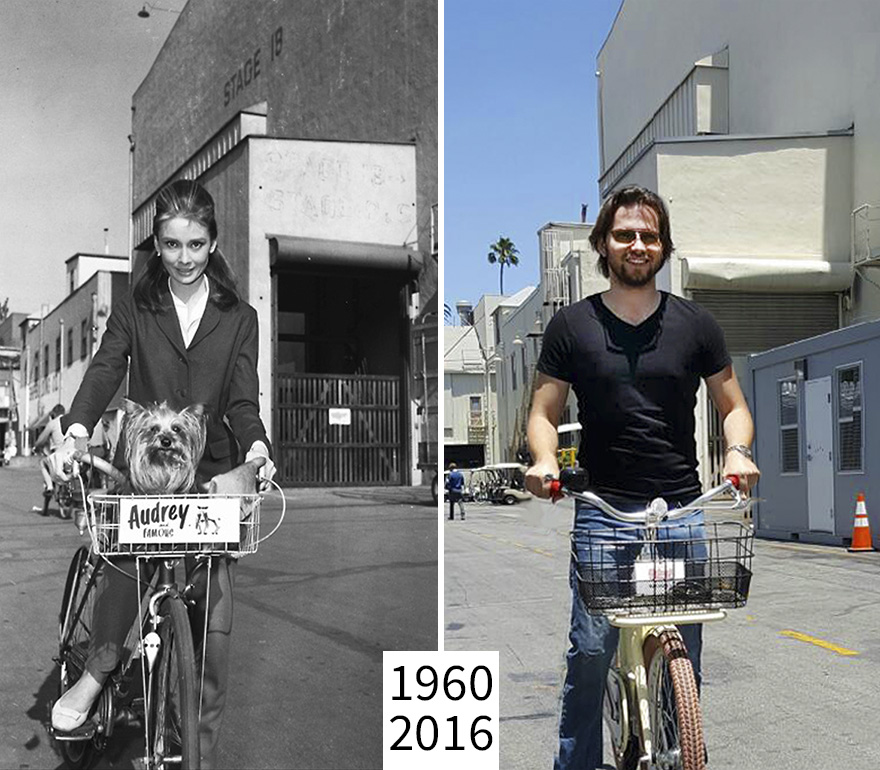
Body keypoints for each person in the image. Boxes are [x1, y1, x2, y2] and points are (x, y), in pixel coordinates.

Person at [524, 185, 761, 770]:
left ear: (663, 245)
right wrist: (546, 460)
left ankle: (682, 752)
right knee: (590, 651)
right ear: (604, 244)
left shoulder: (696, 325)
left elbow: (733, 405)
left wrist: (736, 450)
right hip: (605, 512)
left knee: (687, 658)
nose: (637, 244)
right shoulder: (572, 328)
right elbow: (543, 413)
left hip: (681, 508)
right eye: (625, 234)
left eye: (649, 235)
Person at [48, 179, 275, 769]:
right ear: (156, 244)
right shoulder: (135, 305)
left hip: (211, 476)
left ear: (214, 242)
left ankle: (196, 748)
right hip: (146, 469)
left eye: (196, 244)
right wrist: (76, 430)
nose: (184, 257)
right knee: (126, 552)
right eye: (171, 244)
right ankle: (100, 665)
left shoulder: (239, 317)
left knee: (212, 620)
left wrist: (255, 448)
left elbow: (243, 400)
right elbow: (104, 371)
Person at [32, 403, 66, 516]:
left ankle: (50, 486)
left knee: (42, 463)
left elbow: (41, 439)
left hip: (58, 455)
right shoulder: (69, 420)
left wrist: (36, 446)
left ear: (54, 414)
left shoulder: (53, 423)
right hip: (72, 455)